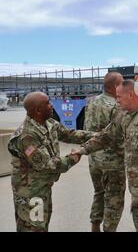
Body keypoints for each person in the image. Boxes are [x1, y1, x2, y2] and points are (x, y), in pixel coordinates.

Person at [74, 80, 138, 232]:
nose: (116, 100)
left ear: (131, 95)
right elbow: (105, 137)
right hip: (136, 188)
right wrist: (82, 150)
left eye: (119, 97)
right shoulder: (123, 116)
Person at [8, 92, 94, 232]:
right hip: (30, 192)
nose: (51, 106)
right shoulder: (27, 136)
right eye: (48, 103)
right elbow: (49, 165)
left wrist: (98, 136)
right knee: (33, 227)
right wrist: (75, 156)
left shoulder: (49, 123)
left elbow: (69, 134)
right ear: (38, 110)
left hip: (42, 187)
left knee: (42, 224)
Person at [83, 71, 125, 232]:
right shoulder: (116, 106)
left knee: (99, 193)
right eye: (121, 83)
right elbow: (118, 136)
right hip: (112, 162)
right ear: (115, 87)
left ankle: (95, 226)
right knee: (115, 200)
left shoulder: (92, 102)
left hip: (94, 160)